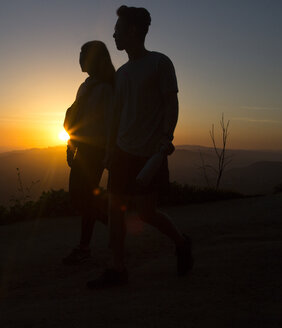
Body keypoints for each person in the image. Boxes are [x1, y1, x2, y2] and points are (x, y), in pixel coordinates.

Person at [87, 6, 193, 289]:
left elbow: (171, 104)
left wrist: (165, 139)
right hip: (122, 151)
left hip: (149, 154)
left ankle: (182, 243)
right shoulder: (122, 74)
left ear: (133, 31)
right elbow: (116, 116)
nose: (114, 34)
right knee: (115, 210)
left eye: (118, 29)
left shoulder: (160, 63)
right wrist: (110, 149)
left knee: (146, 213)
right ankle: (117, 268)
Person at [62, 41, 115, 265]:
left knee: (84, 196)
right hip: (82, 147)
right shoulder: (85, 86)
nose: (80, 59)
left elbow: (112, 122)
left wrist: (109, 152)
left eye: (84, 54)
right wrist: (70, 145)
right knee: (79, 196)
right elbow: (76, 118)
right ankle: (115, 224)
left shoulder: (108, 88)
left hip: (97, 149)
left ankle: (85, 246)